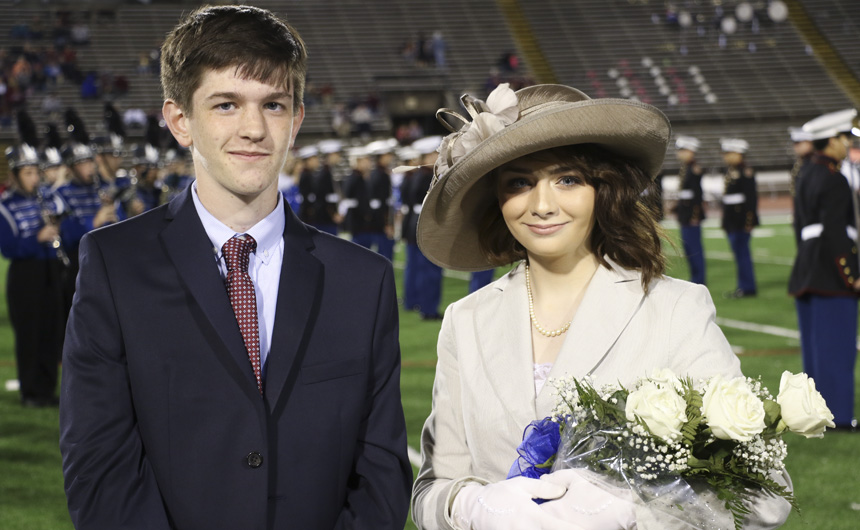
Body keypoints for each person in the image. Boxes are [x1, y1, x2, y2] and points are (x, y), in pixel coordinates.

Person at [59, 6, 411, 529]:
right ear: (180, 121)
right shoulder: (115, 263)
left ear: (296, 120)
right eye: (226, 104)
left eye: (273, 105)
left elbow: (380, 469)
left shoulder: (363, 279)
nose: (254, 129)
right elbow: (99, 465)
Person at [410, 83, 791, 529]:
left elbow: (764, 494)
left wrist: (631, 514)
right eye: (520, 183)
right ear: (497, 198)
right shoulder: (466, 321)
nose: (542, 205)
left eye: (567, 180)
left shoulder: (675, 310)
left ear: (603, 189)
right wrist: (469, 507)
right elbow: (432, 490)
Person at [789, 108, 860, 432]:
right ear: (831, 141)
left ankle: (816, 414)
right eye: (844, 139)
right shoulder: (834, 178)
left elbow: (801, 226)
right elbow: (835, 232)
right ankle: (838, 417)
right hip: (831, 274)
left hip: (807, 267)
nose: (847, 145)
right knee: (837, 349)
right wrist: (851, 275)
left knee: (815, 352)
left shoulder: (805, 173)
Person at [0, 142, 67, 408]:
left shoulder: (46, 199)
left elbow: (64, 210)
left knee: (51, 330)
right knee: (30, 333)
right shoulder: (6, 206)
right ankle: (30, 392)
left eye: (35, 172)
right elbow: (8, 248)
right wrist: (38, 237)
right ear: (15, 176)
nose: (34, 178)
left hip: (50, 269)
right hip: (25, 275)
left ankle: (48, 388)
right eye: (27, 173)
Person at [399, 136, 443, 319]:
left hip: (415, 222)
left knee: (418, 267)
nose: (438, 157)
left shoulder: (417, 175)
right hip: (425, 223)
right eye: (435, 154)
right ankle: (428, 309)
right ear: (427, 157)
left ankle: (415, 302)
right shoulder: (427, 176)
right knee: (430, 269)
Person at [719, 137, 758, 298]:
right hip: (732, 221)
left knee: (743, 255)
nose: (725, 156)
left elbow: (751, 199)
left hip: (741, 221)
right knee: (739, 255)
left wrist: (748, 221)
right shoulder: (730, 171)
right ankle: (743, 286)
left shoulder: (745, 172)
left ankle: (747, 287)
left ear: (739, 154)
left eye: (729, 153)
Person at [672, 135, 706, 285]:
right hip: (685, 214)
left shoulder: (694, 169)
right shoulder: (686, 168)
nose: (679, 154)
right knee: (688, 249)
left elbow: (697, 195)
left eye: (682, 150)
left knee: (694, 249)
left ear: (690, 151)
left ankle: (699, 279)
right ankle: (695, 278)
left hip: (691, 215)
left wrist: (694, 215)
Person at [788, 126, 813, 198]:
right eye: (794, 143)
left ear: (809, 143)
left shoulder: (815, 164)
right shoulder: (799, 163)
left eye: (798, 143)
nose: (795, 147)